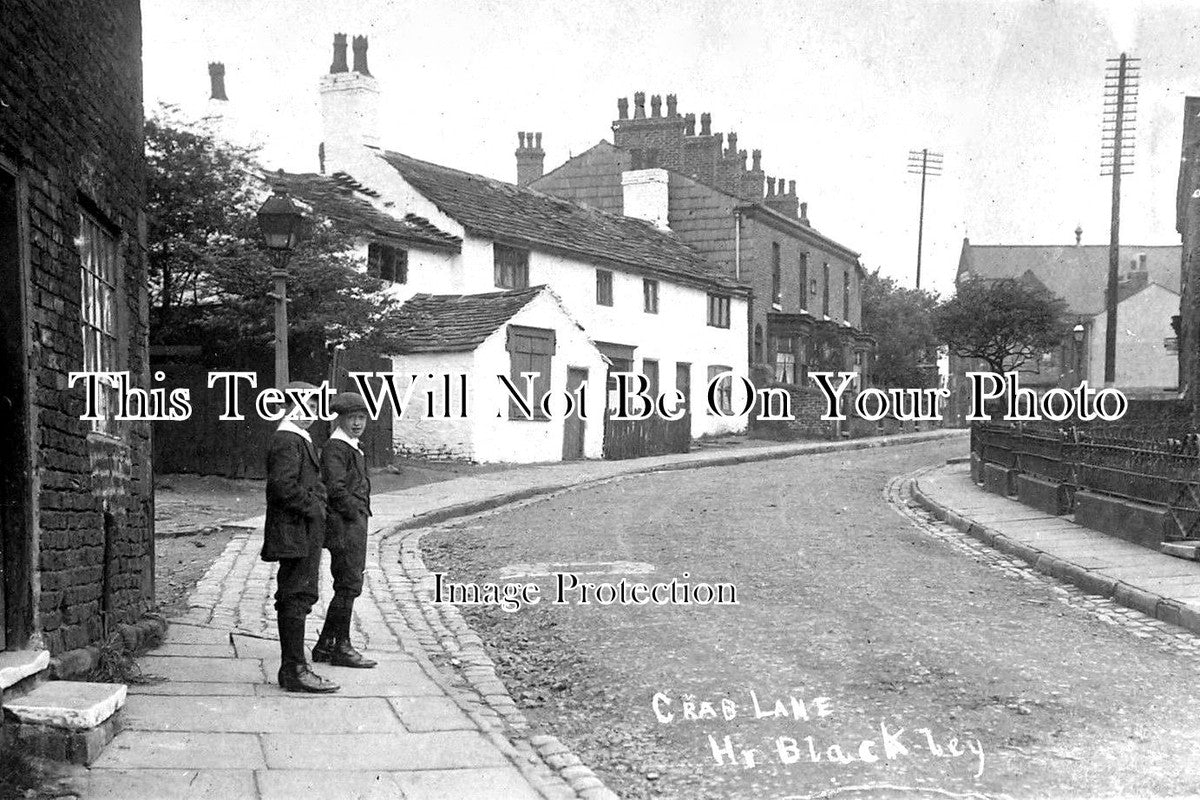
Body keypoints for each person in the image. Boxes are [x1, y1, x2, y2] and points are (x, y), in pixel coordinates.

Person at [262, 380, 340, 693]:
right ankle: (294, 669)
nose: (311, 413)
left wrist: (318, 501)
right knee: (296, 595)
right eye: (305, 406)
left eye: (315, 406)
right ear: (288, 407)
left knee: (301, 595)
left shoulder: (298, 438)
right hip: (294, 531)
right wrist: (316, 507)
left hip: (302, 530)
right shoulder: (287, 439)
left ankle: (294, 667)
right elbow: (282, 486)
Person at [313, 391, 377, 669]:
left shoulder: (351, 445)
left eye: (362, 418)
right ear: (340, 419)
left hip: (354, 523)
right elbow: (335, 488)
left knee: (349, 584)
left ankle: (325, 645)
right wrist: (355, 512)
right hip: (344, 525)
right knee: (348, 584)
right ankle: (342, 646)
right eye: (352, 418)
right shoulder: (336, 447)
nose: (357, 423)